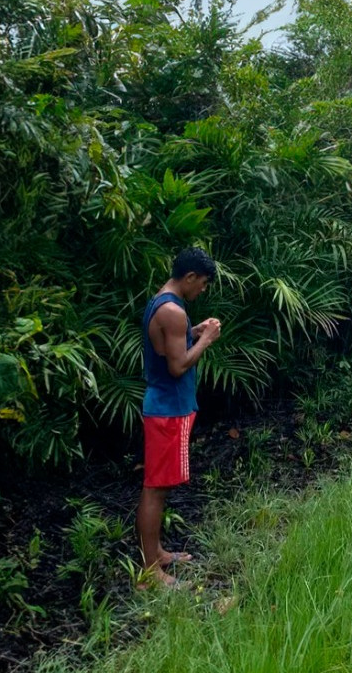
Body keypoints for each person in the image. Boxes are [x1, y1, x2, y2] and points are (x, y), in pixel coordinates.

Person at [138, 248, 222, 588]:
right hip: (168, 410)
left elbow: (167, 348)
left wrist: (194, 331)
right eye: (201, 284)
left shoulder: (162, 301)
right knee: (155, 490)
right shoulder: (173, 311)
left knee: (161, 486)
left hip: (166, 406)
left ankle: (155, 553)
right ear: (189, 277)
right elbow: (177, 365)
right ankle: (150, 573)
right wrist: (206, 340)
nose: (201, 290)